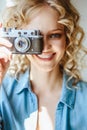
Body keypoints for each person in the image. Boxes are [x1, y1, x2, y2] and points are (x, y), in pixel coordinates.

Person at [0, 0, 87, 130]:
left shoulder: (84, 99)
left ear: (67, 38)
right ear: (20, 39)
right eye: (35, 37)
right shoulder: (3, 93)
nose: (45, 47)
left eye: (54, 35)